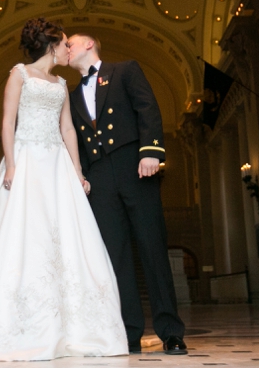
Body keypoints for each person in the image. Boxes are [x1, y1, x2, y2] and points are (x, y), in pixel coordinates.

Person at [0, 18, 127, 361]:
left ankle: (73, 328)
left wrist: (78, 173)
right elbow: (8, 122)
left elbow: (67, 129)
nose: (70, 50)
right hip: (26, 160)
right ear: (52, 46)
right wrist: (10, 163)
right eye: (66, 44)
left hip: (57, 167)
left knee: (66, 239)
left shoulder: (61, 84)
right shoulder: (19, 74)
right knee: (22, 235)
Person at [66, 34, 188, 355]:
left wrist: (151, 151)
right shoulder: (71, 94)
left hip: (134, 165)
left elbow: (147, 106)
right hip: (99, 177)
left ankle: (171, 332)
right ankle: (129, 331)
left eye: (71, 44)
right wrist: (79, 175)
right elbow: (73, 139)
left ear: (90, 43)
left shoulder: (125, 70)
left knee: (152, 249)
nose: (67, 49)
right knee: (115, 257)